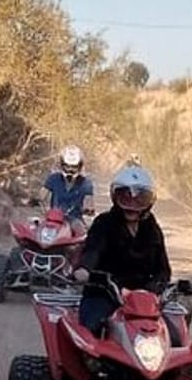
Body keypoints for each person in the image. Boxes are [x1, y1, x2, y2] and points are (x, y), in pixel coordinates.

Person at [73, 164, 175, 342]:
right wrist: (84, 269)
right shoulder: (104, 223)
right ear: (115, 197)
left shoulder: (152, 228)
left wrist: (152, 290)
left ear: (149, 201)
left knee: (174, 337)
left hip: (143, 300)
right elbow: (93, 250)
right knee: (91, 329)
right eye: (125, 197)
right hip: (105, 293)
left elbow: (163, 269)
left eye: (140, 199)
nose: (132, 205)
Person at [42, 144, 94, 235]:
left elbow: (89, 201)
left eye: (74, 167)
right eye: (67, 166)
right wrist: (33, 200)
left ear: (80, 166)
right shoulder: (53, 178)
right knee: (36, 226)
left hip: (74, 219)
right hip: (53, 217)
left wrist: (88, 209)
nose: (70, 169)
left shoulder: (86, 183)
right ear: (62, 165)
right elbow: (42, 195)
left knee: (80, 231)